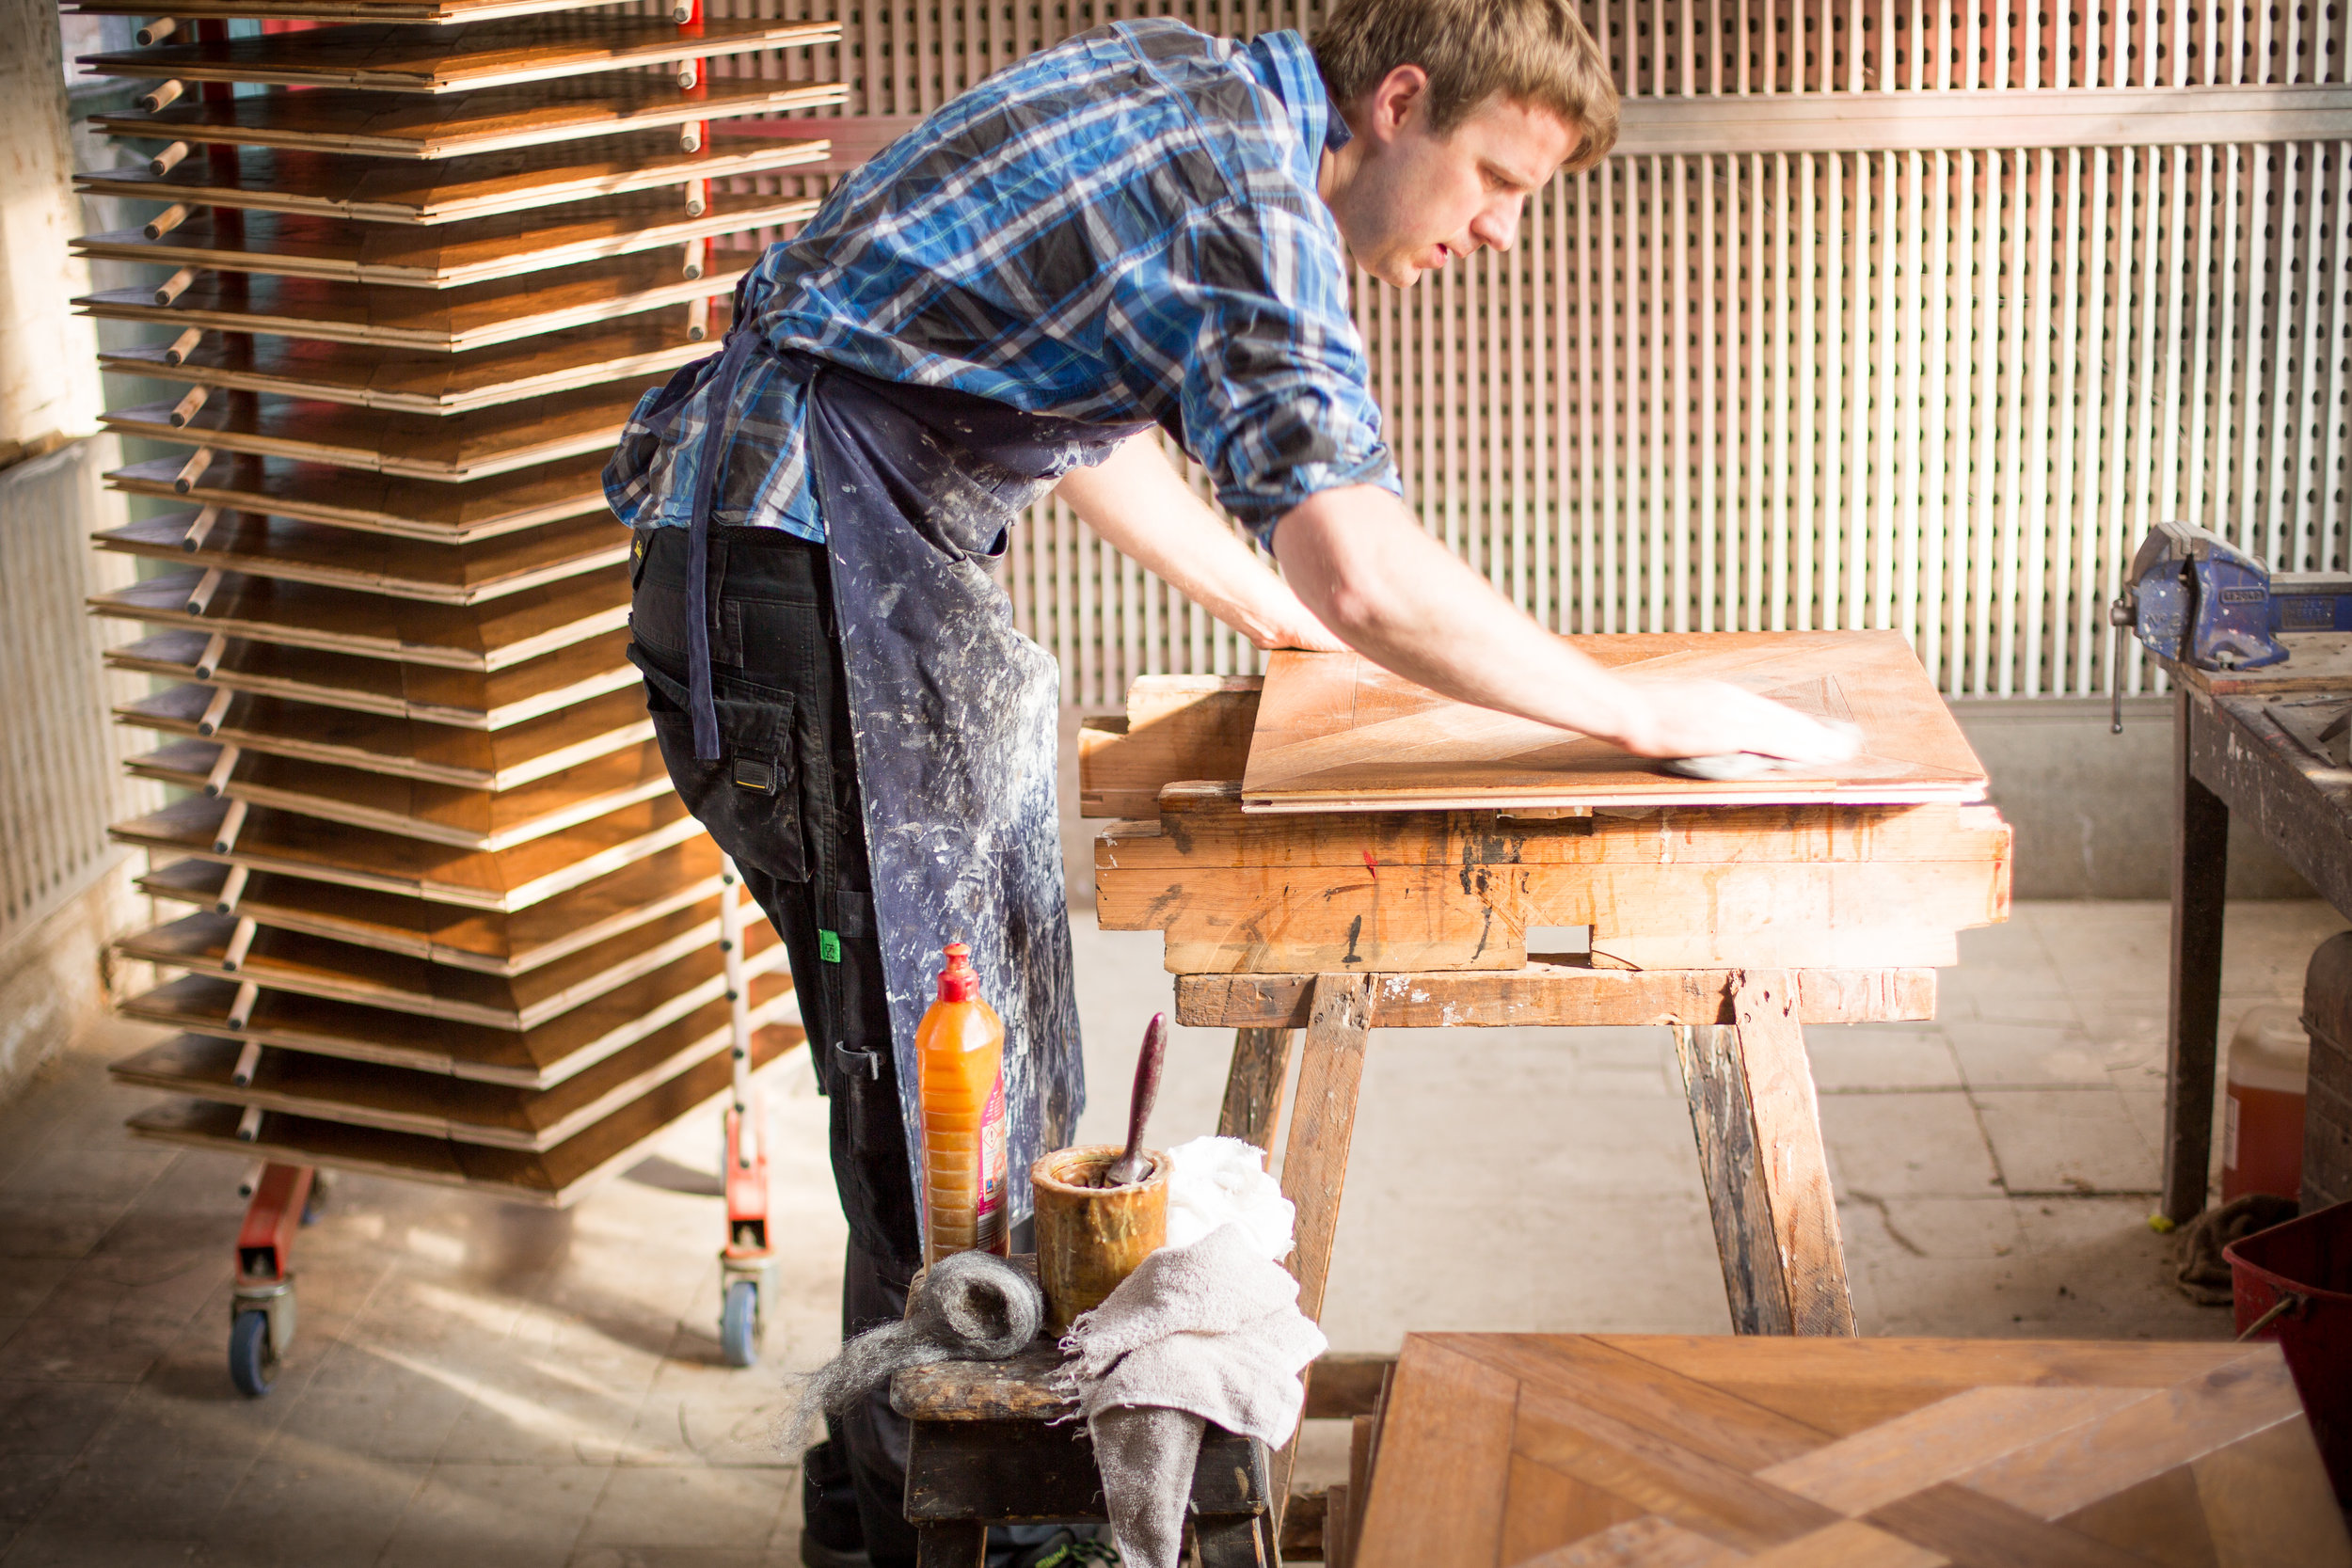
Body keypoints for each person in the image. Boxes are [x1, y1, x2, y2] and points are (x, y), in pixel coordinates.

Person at [606, 2, 1855, 1563]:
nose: (1498, 233)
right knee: (943, 1124)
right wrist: (1635, 721)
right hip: (797, 571)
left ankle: (961, 1515)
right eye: (1494, 179)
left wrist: (1261, 607)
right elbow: (1368, 574)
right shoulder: (1246, 192)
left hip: (820, 553)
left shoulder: (1192, 87)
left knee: (979, 1111)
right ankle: (907, 1540)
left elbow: (1076, 423)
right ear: (1398, 101)